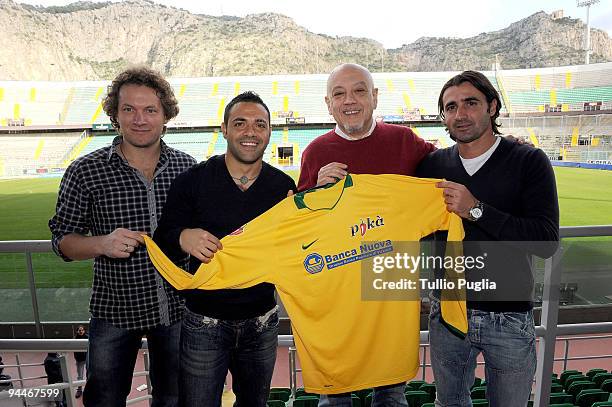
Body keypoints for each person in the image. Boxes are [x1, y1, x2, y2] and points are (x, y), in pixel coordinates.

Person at [48, 66, 196, 407]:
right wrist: (102, 243)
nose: (139, 119)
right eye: (128, 109)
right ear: (115, 114)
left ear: (165, 115)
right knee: (104, 399)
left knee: (175, 399)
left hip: (177, 311)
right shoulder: (85, 171)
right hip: (114, 311)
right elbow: (63, 241)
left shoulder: (187, 168)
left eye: (150, 110)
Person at [416, 70, 559, 407]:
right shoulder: (431, 166)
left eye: (470, 103)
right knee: (449, 403)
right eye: (450, 108)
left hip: (508, 317)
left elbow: (546, 240)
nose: (460, 114)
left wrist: (476, 210)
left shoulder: (529, 160)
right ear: (443, 117)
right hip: (448, 313)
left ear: (492, 107)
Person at [299, 63, 437, 407]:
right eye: (339, 94)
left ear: (374, 97)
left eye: (360, 90)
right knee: (335, 398)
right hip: (337, 288)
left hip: (390, 288)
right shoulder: (315, 152)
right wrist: (315, 191)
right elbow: (301, 224)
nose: (350, 101)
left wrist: (497, 146)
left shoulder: (404, 141)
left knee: (391, 394)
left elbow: (452, 170)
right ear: (328, 103)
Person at [153, 91, 296, 406]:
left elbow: (295, 250)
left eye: (260, 124)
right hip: (204, 323)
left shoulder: (282, 187)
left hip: (261, 321)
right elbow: (162, 235)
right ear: (225, 129)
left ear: (270, 132)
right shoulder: (192, 180)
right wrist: (183, 236)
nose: (250, 132)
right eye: (240, 123)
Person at [73, 325, 88, 398]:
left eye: (82, 330)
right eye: (79, 330)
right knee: (80, 376)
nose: (81, 331)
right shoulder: (75, 339)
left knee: (89, 374)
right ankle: (79, 390)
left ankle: (88, 390)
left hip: (87, 358)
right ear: (77, 331)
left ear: (84, 331)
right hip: (80, 360)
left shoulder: (87, 338)